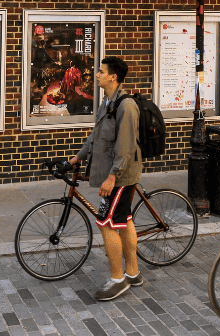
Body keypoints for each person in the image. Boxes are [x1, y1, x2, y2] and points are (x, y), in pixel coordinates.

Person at [69, 55, 142, 302]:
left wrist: (112, 178)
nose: (96, 75)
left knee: (107, 223)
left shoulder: (126, 106)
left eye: (101, 71)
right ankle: (133, 273)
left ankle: (118, 279)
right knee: (124, 220)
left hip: (120, 177)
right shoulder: (107, 103)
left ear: (113, 76)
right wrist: (79, 156)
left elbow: (125, 147)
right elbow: (96, 134)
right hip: (113, 174)